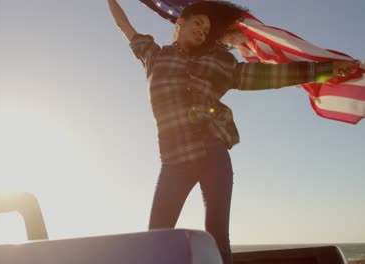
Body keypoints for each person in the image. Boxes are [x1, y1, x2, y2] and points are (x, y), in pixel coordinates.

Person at [107, 1, 360, 263]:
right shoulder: (153, 55)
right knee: (156, 236)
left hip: (212, 153)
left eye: (207, 30)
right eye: (198, 24)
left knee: (217, 236)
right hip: (173, 159)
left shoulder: (219, 64)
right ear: (180, 23)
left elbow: (273, 75)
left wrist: (326, 69)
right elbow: (124, 25)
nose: (203, 31)